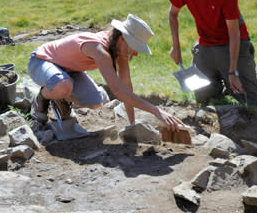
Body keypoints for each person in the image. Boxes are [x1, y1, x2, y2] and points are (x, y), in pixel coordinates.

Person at [28, 14, 184, 129]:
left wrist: (132, 125)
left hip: (69, 71)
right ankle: (41, 98)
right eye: (134, 48)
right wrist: (156, 110)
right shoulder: (99, 49)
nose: (135, 53)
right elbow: (117, 90)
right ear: (123, 39)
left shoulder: (120, 50)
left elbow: (125, 87)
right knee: (63, 86)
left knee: (95, 101)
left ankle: (59, 98)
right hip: (41, 61)